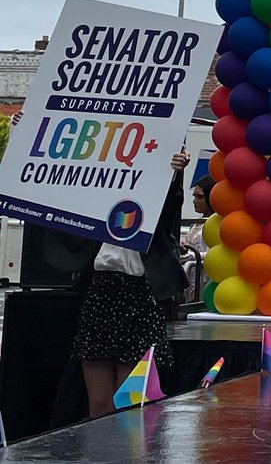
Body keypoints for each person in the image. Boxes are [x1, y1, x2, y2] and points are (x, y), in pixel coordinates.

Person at [73, 149, 191, 418]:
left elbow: (171, 203)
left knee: (129, 400)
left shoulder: (151, 202)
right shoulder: (95, 197)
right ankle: (102, 456)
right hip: (100, 293)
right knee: (100, 402)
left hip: (137, 293)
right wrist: (26, 126)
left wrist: (175, 172)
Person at [182, 175, 216, 301]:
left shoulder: (218, 223)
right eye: (194, 196)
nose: (195, 201)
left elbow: (215, 253)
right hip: (191, 277)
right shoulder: (195, 222)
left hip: (207, 280)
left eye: (200, 196)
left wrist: (191, 256)